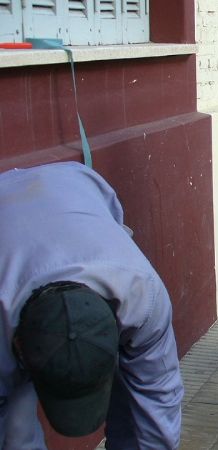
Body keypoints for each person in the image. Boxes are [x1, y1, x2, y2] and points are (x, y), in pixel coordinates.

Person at [0, 162, 183, 449]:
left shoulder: (143, 296)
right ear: (20, 348)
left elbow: (158, 393)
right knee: (14, 421)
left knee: (137, 402)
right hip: (16, 206)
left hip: (75, 185)